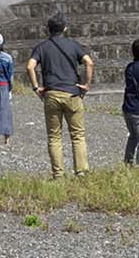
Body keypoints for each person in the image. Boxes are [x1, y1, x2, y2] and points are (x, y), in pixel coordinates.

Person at [27, 16, 94, 178]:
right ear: (64, 29)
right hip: (72, 93)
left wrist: (36, 88)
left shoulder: (41, 47)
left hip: (51, 93)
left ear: (48, 29)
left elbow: (30, 66)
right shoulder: (73, 45)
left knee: (54, 136)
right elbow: (89, 62)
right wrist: (86, 84)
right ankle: (81, 171)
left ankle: (58, 174)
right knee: (77, 135)